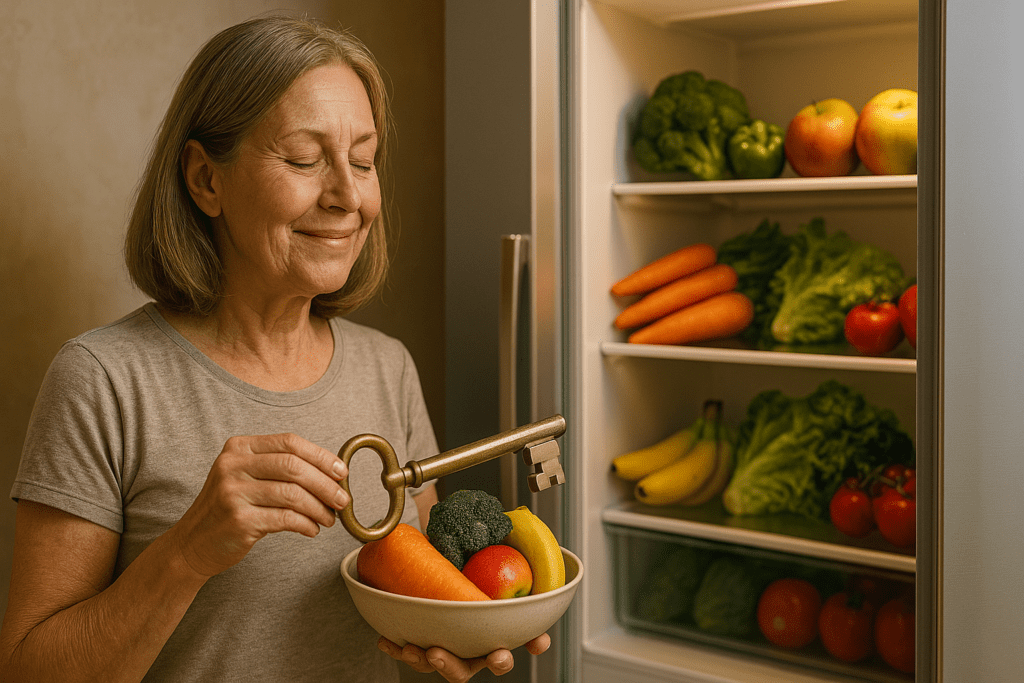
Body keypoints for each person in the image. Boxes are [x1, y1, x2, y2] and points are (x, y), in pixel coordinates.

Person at [0, 15, 548, 683]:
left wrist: (458, 636)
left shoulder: (387, 365)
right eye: (304, 158)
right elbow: (30, 670)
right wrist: (188, 550)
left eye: (364, 160)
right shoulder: (103, 380)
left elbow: (418, 587)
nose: (348, 196)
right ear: (206, 180)